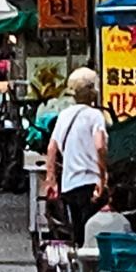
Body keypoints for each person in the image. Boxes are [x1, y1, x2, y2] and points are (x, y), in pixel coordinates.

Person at [43, 67, 108, 240]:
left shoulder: (64, 115)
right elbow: (100, 146)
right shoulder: (95, 115)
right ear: (91, 91)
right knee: (94, 231)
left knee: (78, 231)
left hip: (69, 184)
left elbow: (51, 148)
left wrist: (51, 179)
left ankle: (80, 253)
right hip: (91, 183)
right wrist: (103, 178)